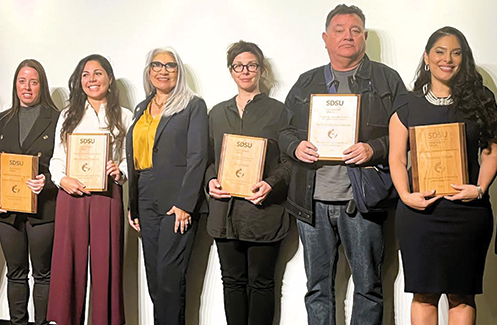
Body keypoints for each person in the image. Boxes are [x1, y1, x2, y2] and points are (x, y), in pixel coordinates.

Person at [278, 4, 407, 325]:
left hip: (362, 201)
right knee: (317, 288)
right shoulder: (307, 82)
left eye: (354, 30)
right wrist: (297, 147)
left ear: (363, 36)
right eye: (339, 30)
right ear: (325, 38)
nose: (347, 36)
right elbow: (284, 131)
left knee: (369, 287)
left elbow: (409, 133)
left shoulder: (386, 79)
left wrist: (374, 148)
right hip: (312, 202)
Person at [389, 26, 497, 325]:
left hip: (468, 212)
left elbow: (492, 151)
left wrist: (479, 188)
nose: (447, 59)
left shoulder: (482, 100)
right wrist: (406, 195)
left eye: (456, 52)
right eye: (439, 51)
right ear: (427, 57)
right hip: (419, 213)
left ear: (464, 59)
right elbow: (397, 158)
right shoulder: (406, 104)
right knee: (423, 294)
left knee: (462, 294)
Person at [205, 40, 291, 325]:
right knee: (231, 282)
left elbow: (291, 162)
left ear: (261, 69)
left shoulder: (280, 112)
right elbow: (206, 160)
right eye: (239, 66)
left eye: (252, 65)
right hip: (224, 214)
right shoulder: (216, 113)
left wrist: (271, 183)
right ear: (231, 71)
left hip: (263, 214)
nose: (245, 71)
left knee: (262, 283)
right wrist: (211, 181)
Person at [47, 54, 132, 325]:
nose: (91, 79)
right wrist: (62, 180)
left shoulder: (125, 116)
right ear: (78, 80)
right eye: (85, 74)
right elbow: (57, 159)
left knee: (107, 263)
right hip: (71, 195)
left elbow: (130, 158)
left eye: (97, 73)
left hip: (107, 196)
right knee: (67, 263)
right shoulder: (67, 115)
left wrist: (120, 171)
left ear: (109, 79)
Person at [126, 47, 208, 325]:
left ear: (179, 71)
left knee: (170, 277)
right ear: (148, 72)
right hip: (145, 197)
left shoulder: (192, 105)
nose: (163, 70)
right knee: (155, 277)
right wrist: (133, 204)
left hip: (177, 200)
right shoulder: (141, 108)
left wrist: (186, 203)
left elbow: (198, 157)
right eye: (157, 65)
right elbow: (135, 159)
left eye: (170, 65)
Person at [0, 59, 60, 325]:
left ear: (42, 85)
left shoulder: (58, 119)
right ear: (15, 84)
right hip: (8, 211)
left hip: (44, 209)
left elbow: (64, 162)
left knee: (43, 274)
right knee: (15, 273)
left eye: (33, 81)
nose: (27, 87)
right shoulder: (2, 120)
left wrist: (47, 182)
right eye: (22, 81)